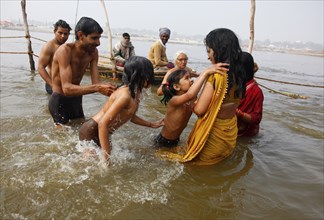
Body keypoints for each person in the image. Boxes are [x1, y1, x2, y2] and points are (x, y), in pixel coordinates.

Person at [158, 28, 246, 166]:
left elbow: (199, 110)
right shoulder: (240, 74)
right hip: (229, 133)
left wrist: (203, 79)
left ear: (218, 50)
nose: (208, 56)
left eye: (209, 51)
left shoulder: (216, 76)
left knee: (191, 166)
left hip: (212, 133)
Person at [79, 56, 163, 162]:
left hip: (103, 131)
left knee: (104, 162)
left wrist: (152, 124)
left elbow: (130, 116)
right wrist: (106, 157)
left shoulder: (135, 92)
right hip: (91, 132)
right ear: (138, 76)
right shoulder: (125, 95)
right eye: (149, 75)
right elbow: (103, 124)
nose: (151, 79)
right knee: (97, 167)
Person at [49, 17, 117, 128]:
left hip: (76, 98)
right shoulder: (65, 51)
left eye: (99, 38)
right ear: (81, 35)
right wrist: (98, 88)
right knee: (62, 138)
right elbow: (66, 89)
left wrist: (114, 91)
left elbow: (96, 82)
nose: (98, 43)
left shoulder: (93, 53)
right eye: (94, 38)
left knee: (81, 130)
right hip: (59, 99)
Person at [154, 64, 228, 148]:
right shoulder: (174, 101)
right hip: (164, 140)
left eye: (190, 78)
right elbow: (190, 94)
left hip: (176, 139)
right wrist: (205, 73)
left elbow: (199, 108)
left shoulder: (191, 100)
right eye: (186, 78)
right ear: (176, 87)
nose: (191, 80)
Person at [38, 19, 72, 94]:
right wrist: (52, 85)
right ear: (54, 32)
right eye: (60, 33)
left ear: (69, 34)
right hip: (52, 83)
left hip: (65, 85)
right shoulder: (49, 47)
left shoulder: (67, 47)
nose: (62, 36)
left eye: (65, 34)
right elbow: (40, 68)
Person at [236, 52, 264, 136]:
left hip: (244, 134)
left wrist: (238, 113)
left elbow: (256, 119)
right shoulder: (233, 84)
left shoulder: (256, 91)